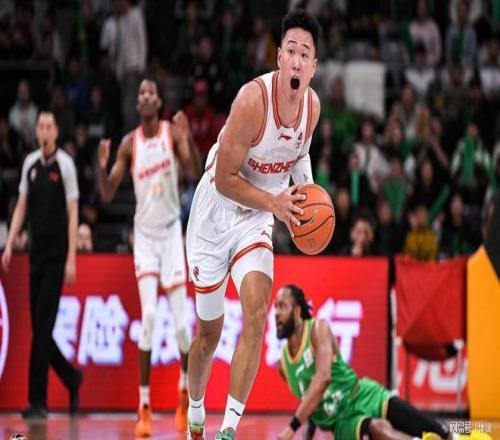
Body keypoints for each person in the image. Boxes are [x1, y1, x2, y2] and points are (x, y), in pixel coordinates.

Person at [185, 10, 322, 440]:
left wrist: (306, 199)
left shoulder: (312, 108)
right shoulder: (251, 101)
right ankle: (195, 412)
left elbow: (299, 154)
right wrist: (276, 202)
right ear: (279, 57)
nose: (297, 60)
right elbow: (225, 179)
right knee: (209, 336)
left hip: (258, 219)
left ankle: (228, 430)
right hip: (215, 211)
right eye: (291, 51)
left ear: (313, 66)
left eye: (305, 54)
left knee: (259, 312)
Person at [97, 79, 200, 437]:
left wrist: (190, 141)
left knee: (183, 325)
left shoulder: (173, 133)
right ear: (137, 103)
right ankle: (144, 406)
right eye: (140, 93)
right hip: (144, 237)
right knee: (150, 317)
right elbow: (107, 193)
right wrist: (101, 166)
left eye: (149, 92)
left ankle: (184, 390)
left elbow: (196, 171)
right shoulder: (129, 143)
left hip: (171, 235)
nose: (143, 96)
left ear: (158, 101)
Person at [274, 284, 454, 440]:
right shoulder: (284, 366)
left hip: (361, 394)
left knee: (438, 431)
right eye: (275, 307)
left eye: (282, 306)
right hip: (342, 422)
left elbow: (323, 379)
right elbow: (309, 403)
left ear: (297, 311)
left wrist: (291, 428)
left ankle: (458, 431)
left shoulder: (317, 328)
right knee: (377, 428)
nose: (276, 313)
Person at [1, 111, 83, 419]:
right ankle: (71, 378)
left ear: (56, 131)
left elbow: (73, 212)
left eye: (49, 126)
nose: (45, 131)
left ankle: (38, 401)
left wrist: (72, 257)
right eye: (41, 127)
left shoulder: (65, 165)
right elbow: (21, 205)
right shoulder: (30, 164)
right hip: (35, 255)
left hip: (56, 257)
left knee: (42, 328)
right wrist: (10, 242)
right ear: (36, 132)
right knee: (40, 329)